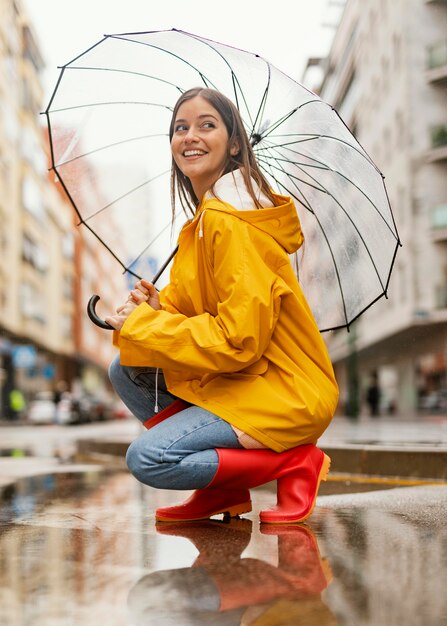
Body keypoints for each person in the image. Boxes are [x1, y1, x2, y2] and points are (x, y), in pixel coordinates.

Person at [106, 87, 339, 525]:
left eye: (206, 125)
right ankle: (223, 490)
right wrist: (154, 310)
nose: (190, 136)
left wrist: (146, 327)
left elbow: (238, 339)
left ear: (234, 144)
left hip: (284, 390)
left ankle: (295, 464)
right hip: (247, 380)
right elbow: (201, 317)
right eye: (181, 128)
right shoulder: (203, 222)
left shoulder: (230, 223)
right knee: (127, 369)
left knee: (149, 460)